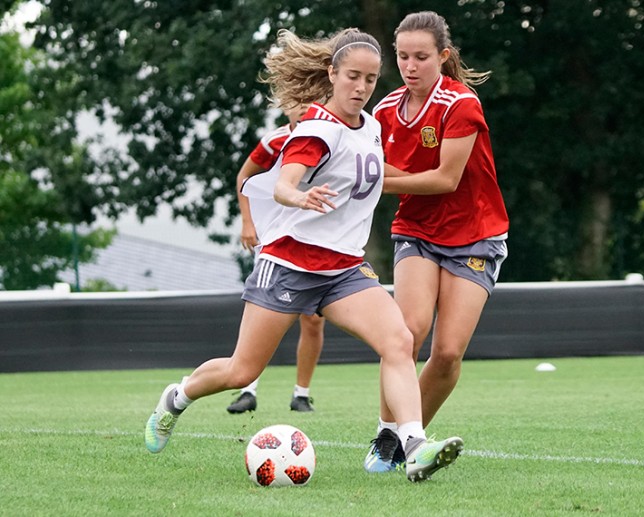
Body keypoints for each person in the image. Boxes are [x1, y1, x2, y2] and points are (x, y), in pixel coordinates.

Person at [144, 27, 463, 483]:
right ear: (332, 74)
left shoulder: (371, 127)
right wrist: (299, 198)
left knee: (399, 341)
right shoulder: (315, 129)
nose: (361, 87)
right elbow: (283, 183)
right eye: (352, 76)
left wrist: (428, 175)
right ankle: (176, 399)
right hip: (290, 264)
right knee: (241, 371)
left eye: (371, 80)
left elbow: (371, 169)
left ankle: (412, 446)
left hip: (344, 270)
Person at [363, 11, 509, 473]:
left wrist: (372, 182)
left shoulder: (460, 104)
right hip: (417, 232)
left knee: (446, 354)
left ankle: (407, 438)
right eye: (402, 56)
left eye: (421, 57)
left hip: (475, 235)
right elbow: (368, 165)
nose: (410, 65)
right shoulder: (385, 110)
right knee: (407, 333)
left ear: (443, 57)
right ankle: (394, 437)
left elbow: (446, 179)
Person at [227, 104, 323, 414]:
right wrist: (247, 222)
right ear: (286, 109)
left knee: (312, 320)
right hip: (274, 240)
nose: (304, 109)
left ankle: (302, 394)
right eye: (298, 104)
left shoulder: (329, 137)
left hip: (314, 241)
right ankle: (247, 389)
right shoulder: (274, 141)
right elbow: (244, 177)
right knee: (261, 310)